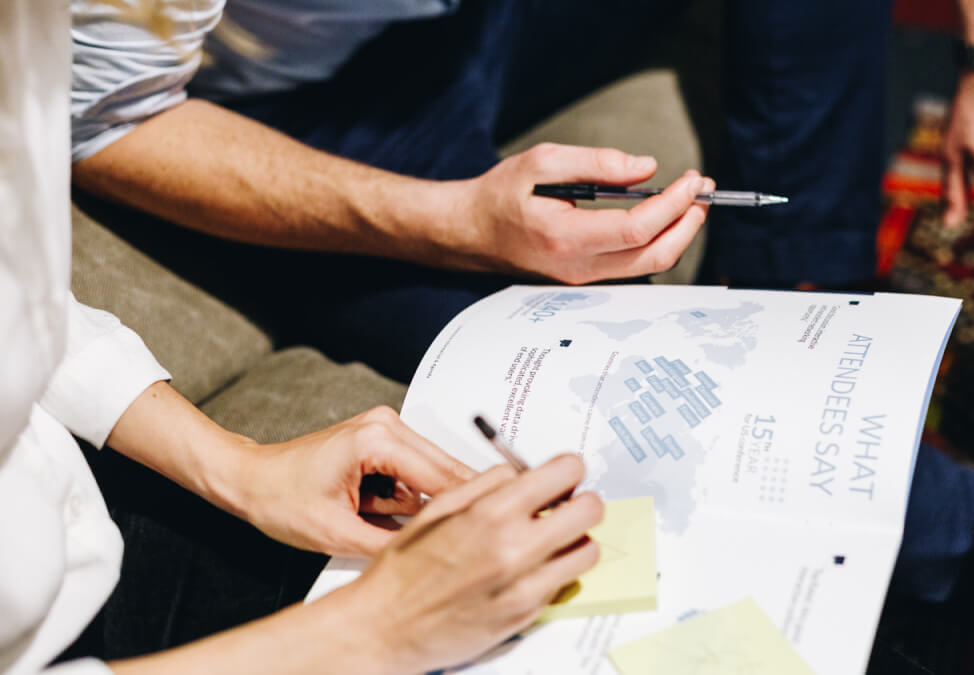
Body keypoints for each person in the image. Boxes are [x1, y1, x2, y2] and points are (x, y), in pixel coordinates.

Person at [1, 4, 605, 673]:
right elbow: (106, 117)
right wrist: (376, 628)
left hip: (91, 501)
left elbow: (21, 307)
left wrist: (238, 466)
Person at [69, 0, 974, 383]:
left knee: (792, 340)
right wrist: (455, 224)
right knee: (600, 380)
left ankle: (810, 312)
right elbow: (104, 119)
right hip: (309, 107)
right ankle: (954, 546)